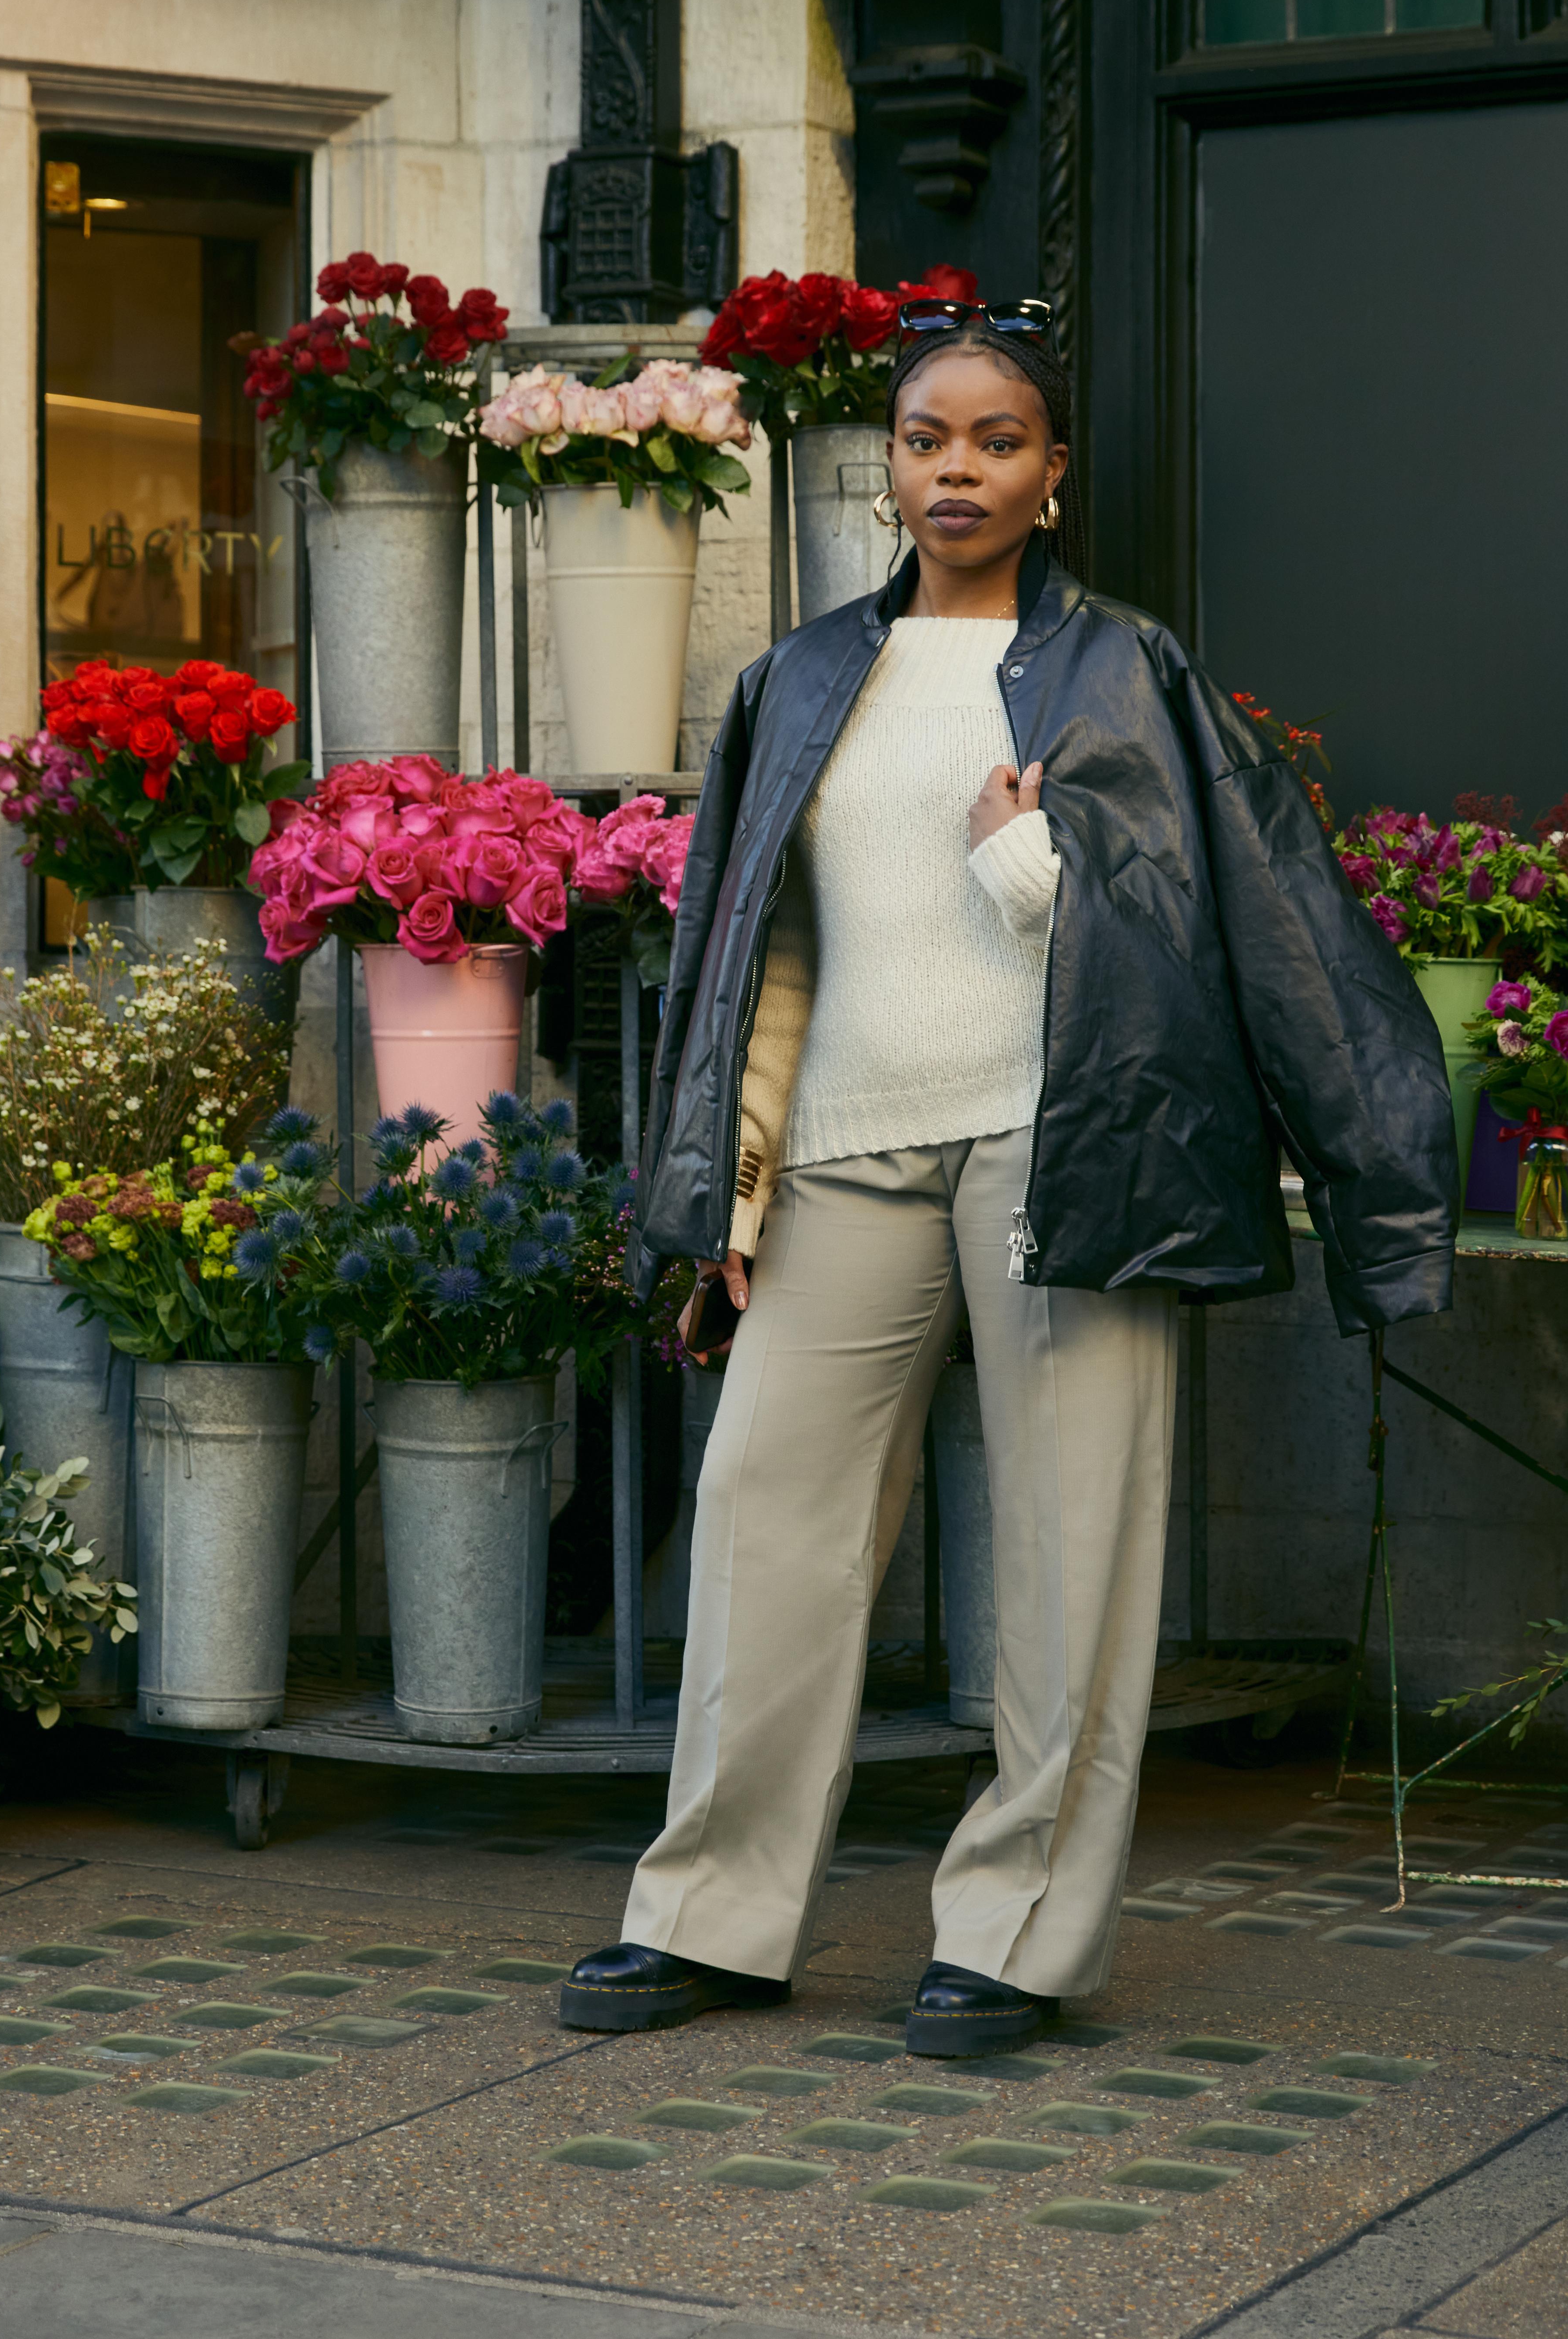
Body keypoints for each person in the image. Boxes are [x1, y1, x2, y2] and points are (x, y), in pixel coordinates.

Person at [559, 296, 1456, 2056]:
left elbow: (1216, 935)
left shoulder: (1130, 670)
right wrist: (731, 1194)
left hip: (1075, 1152)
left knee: (1071, 1555)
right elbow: (766, 945)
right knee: (762, 1524)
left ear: (1056, 474)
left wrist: (1035, 865)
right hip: (843, 1157)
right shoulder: (806, 674)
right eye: (925, 438)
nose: (956, 467)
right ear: (886, 465)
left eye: (996, 441)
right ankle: (713, 1918)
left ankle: (1021, 1939)